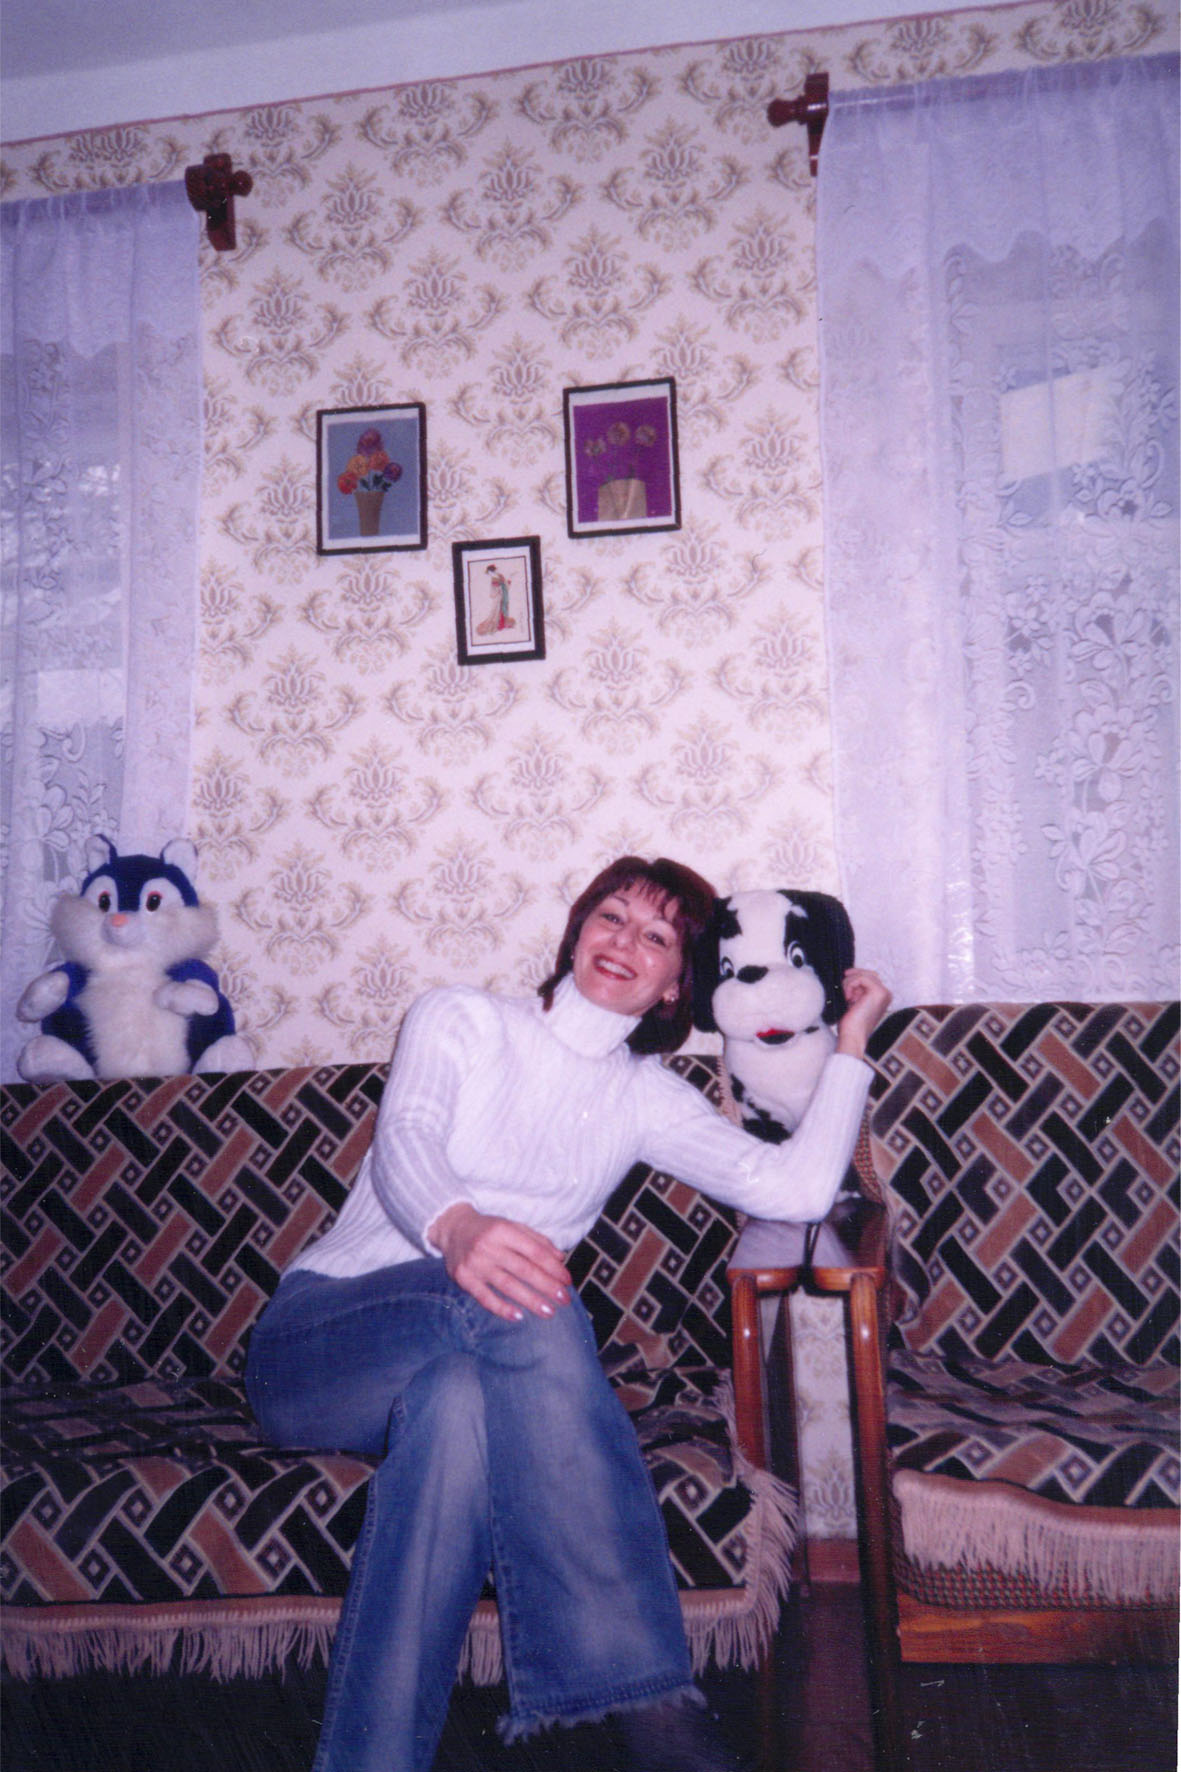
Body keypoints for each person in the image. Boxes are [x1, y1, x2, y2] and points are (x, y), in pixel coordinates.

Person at [245, 856, 890, 1772]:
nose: (624, 941)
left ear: (676, 987)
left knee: (456, 1411)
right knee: (531, 1292)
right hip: (320, 1346)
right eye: (610, 916)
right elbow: (407, 1141)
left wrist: (852, 1043)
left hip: (463, 1364)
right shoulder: (462, 1018)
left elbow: (796, 1189)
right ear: (577, 929)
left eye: (657, 938)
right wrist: (457, 1227)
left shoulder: (643, 1098)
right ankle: (649, 1703)